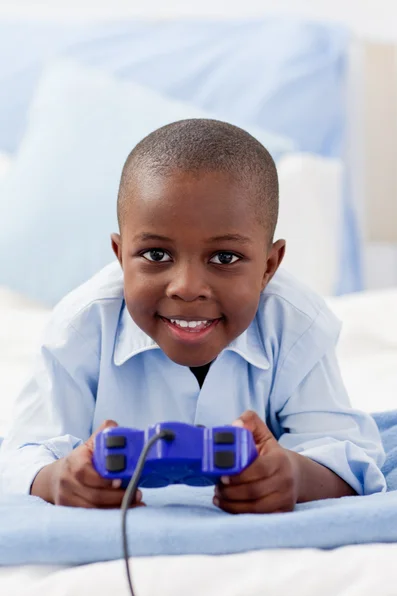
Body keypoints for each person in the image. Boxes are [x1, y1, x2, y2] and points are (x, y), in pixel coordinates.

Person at [0, 119, 386, 513]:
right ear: (119, 257)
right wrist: (59, 479)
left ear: (269, 266)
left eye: (224, 258)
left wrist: (293, 475)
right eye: (155, 255)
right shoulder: (78, 328)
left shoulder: (297, 325)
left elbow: (349, 457)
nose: (186, 287)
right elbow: (20, 457)